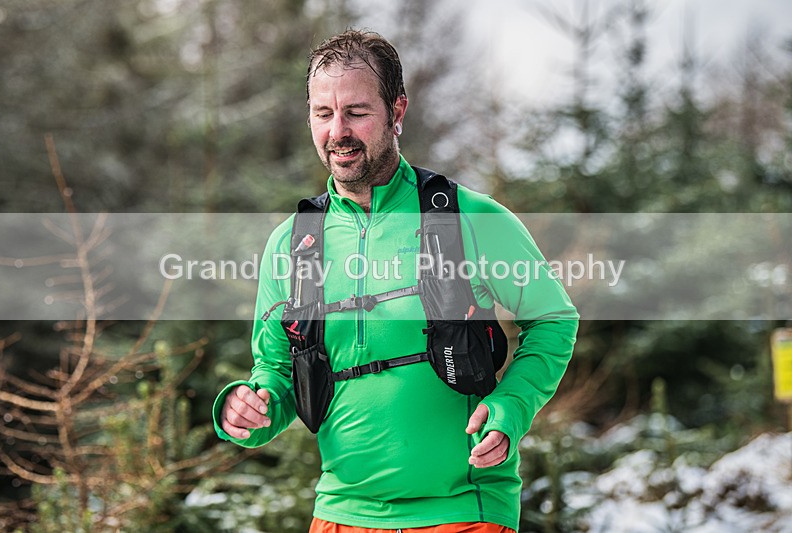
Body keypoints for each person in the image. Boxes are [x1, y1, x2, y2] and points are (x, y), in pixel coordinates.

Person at [212, 30, 579, 533]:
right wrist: (250, 408)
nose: (337, 131)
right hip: (339, 514)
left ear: (397, 111)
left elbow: (554, 319)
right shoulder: (293, 243)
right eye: (323, 113)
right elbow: (275, 370)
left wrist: (512, 406)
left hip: (462, 513)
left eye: (356, 112)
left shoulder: (469, 218)